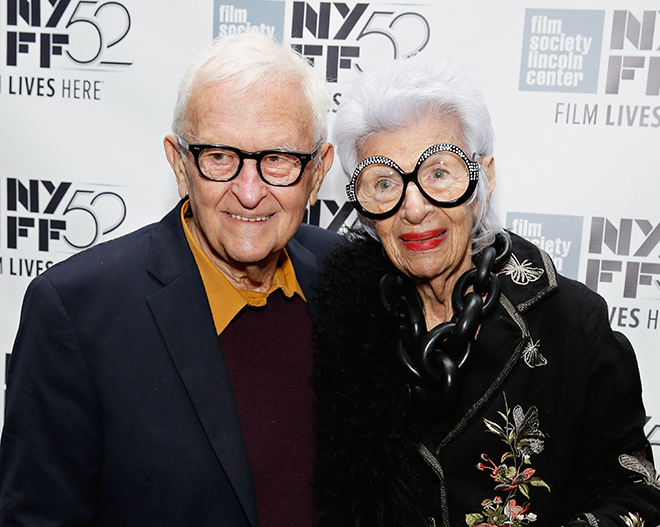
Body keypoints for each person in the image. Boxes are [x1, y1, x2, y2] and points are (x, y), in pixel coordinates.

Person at [0, 32, 339, 527]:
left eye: (278, 159)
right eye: (219, 157)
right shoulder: (76, 313)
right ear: (180, 165)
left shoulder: (345, 277)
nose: (249, 192)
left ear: (318, 171)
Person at [312, 55, 660, 527]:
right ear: (364, 205)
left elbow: (639, 493)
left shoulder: (572, 324)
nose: (414, 208)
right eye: (385, 182)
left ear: (484, 178)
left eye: (438, 173)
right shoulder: (340, 319)